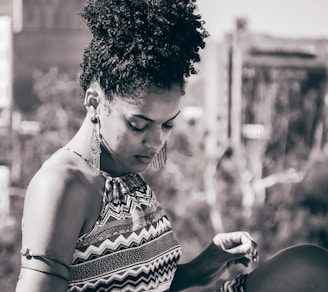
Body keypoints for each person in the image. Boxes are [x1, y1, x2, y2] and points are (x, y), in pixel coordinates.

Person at [15, 0, 328, 291]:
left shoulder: (126, 176)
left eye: (167, 125)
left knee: (307, 264)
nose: (155, 141)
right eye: (138, 124)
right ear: (95, 102)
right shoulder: (61, 185)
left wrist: (203, 264)